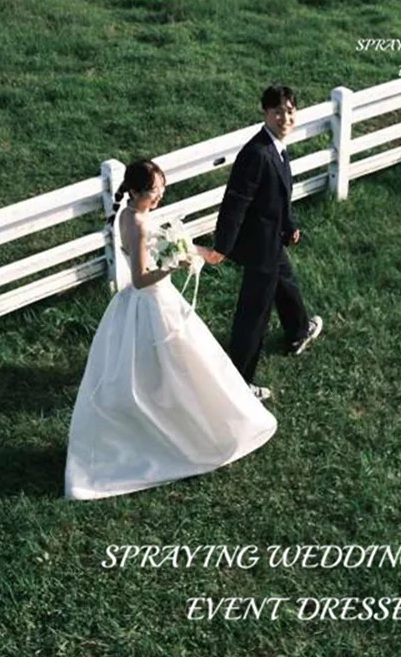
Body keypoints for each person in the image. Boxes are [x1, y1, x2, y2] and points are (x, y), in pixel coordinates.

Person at [64, 159, 277, 501]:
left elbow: (161, 242)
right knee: (180, 365)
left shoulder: (132, 213)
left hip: (153, 301)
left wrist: (200, 251)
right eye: (153, 192)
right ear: (134, 192)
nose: (159, 197)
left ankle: (183, 415)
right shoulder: (134, 222)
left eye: (162, 190)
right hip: (150, 302)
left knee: (181, 364)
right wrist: (172, 266)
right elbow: (139, 278)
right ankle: (188, 429)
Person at [214, 85, 324, 399]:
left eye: (290, 110)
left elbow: (277, 197)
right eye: (277, 111)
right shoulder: (257, 154)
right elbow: (235, 204)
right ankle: (239, 383)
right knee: (254, 314)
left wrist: (289, 225)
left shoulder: (276, 147)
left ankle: (298, 333)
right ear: (264, 113)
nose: (284, 117)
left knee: (285, 282)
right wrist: (221, 248)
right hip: (259, 247)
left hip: (273, 238)